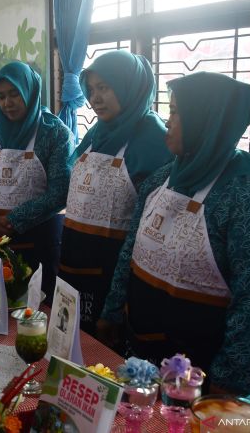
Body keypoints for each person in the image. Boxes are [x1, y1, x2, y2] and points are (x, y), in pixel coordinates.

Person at [98, 72, 250, 396]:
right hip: (141, 346)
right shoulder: (161, 180)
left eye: (177, 113)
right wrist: (112, 313)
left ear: (207, 121)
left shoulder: (247, 200)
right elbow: (131, 251)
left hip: (203, 371)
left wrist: (224, 382)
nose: (168, 122)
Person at [58, 51, 171, 334]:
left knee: (105, 357)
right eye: (92, 90)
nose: (95, 98)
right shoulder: (98, 132)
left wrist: (116, 300)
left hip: (116, 273)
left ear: (128, 86)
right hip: (75, 257)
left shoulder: (153, 140)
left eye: (104, 88)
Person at [0, 61, 73, 301]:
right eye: (2, 96)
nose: (7, 103)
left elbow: (60, 191)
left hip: (38, 243)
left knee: (33, 316)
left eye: (15, 94)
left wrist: (12, 220)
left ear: (30, 91)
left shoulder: (55, 133)